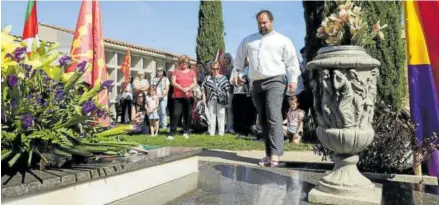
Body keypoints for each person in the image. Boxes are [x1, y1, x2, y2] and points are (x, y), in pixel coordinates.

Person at [232, 10, 301, 167]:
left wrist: (293, 79)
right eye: (259, 23)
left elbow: (292, 62)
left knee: (273, 114)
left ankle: (276, 155)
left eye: (265, 22)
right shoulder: (249, 41)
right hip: (256, 83)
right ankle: (269, 154)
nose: (262, 25)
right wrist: (236, 74)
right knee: (262, 119)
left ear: (272, 21)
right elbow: (238, 60)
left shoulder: (283, 40)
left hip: (276, 80)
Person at [169, 55, 197, 140]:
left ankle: (186, 131)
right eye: (182, 62)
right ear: (179, 63)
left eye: (185, 62)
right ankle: (171, 133)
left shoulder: (192, 72)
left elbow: (194, 82)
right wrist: (182, 89)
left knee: (188, 115)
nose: (184, 64)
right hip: (178, 96)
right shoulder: (175, 71)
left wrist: (188, 88)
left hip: (188, 96)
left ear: (188, 63)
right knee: (176, 114)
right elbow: (173, 82)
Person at [202, 61, 231, 136]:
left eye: (217, 68)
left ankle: (221, 133)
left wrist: (226, 100)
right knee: (212, 116)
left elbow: (227, 89)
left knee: (221, 115)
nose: (215, 70)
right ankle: (212, 133)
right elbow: (203, 88)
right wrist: (204, 98)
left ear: (219, 68)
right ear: (211, 69)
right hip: (211, 99)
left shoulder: (223, 78)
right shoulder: (207, 78)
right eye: (213, 68)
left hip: (221, 100)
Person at [221, 53, 235, 134]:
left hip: (230, 90)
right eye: (225, 58)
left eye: (227, 58)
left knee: (229, 108)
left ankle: (231, 127)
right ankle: (227, 127)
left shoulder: (232, 68)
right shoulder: (222, 69)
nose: (226, 59)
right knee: (225, 109)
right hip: (222, 91)